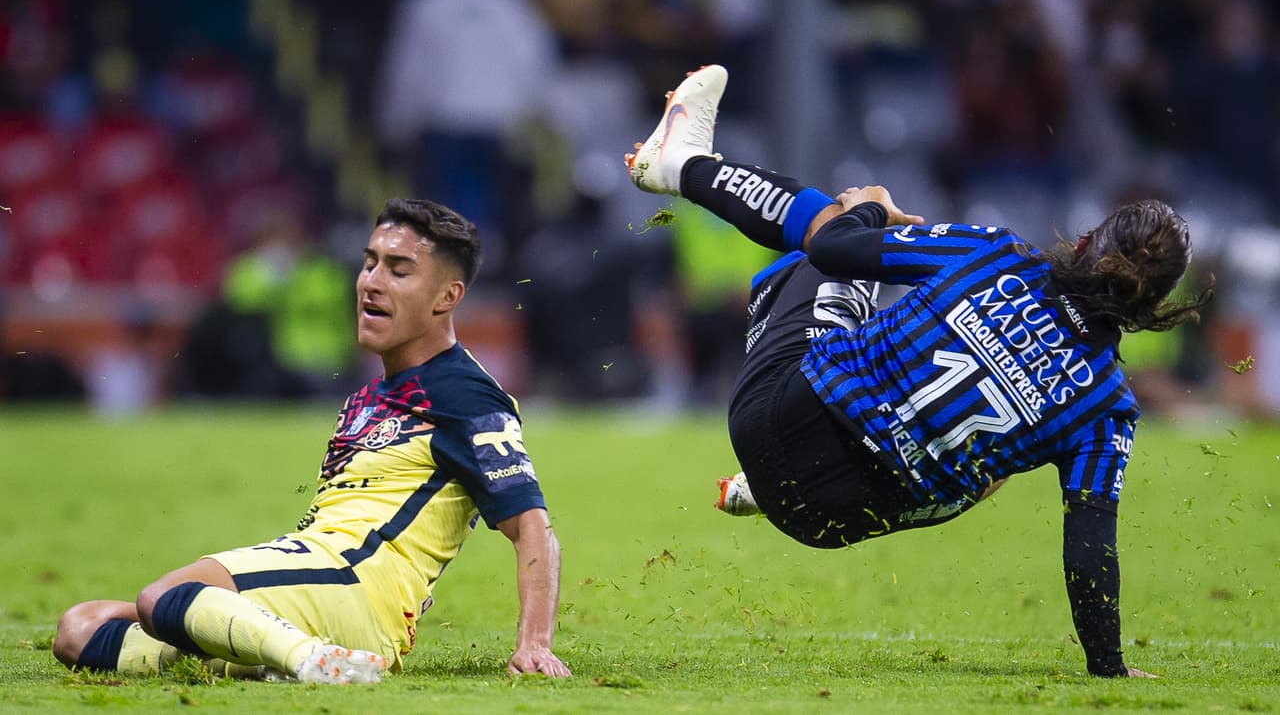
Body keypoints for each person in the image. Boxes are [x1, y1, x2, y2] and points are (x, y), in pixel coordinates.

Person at [624, 65, 1211, 679]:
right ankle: (767, 491)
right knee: (989, 463)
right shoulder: (1108, 408)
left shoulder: (999, 253)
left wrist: (874, 211)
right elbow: (1090, 546)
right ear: (1157, 306)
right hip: (831, 521)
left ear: (1089, 238)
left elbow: (834, 251)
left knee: (826, 229)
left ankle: (681, 165)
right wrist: (1109, 667)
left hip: (771, 417)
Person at [52, 199, 570, 683]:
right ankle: (281, 653)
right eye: (370, 263)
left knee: (163, 597)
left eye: (399, 270)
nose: (372, 282)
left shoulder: (468, 395)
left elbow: (532, 527)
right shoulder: (364, 398)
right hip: (315, 571)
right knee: (80, 629)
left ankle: (310, 661)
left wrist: (534, 644)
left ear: (448, 297)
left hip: (358, 589)